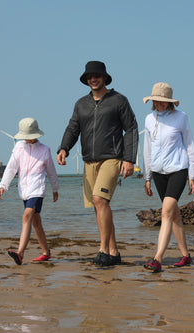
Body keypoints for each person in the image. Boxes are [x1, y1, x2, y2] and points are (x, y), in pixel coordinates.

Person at [57, 61, 138, 266]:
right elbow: (73, 128)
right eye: (90, 76)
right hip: (88, 160)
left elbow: (131, 129)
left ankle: (102, 250)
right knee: (99, 205)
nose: (93, 79)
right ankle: (113, 252)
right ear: (86, 80)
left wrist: (129, 159)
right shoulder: (80, 104)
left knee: (99, 199)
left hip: (112, 157)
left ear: (104, 77)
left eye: (97, 76)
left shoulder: (119, 100)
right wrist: (64, 148)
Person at [142, 82, 194, 273]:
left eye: (163, 101)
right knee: (174, 215)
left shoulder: (181, 117)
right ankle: (186, 256)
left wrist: (192, 174)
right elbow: (147, 149)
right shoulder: (149, 119)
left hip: (178, 169)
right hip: (157, 172)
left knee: (165, 212)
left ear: (170, 102)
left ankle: (157, 259)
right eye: (156, 100)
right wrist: (147, 176)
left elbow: (189, 145)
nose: (160, 103)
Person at [0, 117, 59, 265]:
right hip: (24, 190)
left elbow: (51, 171)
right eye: (26, 137)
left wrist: (55, 188)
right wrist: (3, 185)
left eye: (30, 137)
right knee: (36, 222)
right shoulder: (18, 147)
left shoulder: (45, 150)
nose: (28, 140)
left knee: (27, 216)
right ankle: (46, 252)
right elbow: (11, 168)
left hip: (38, 189)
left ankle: (20, 253)